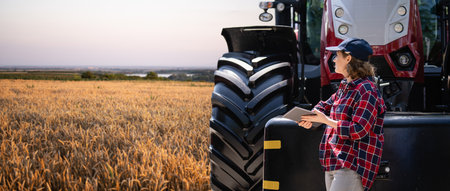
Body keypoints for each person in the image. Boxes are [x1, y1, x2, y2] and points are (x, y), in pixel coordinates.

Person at [298, 38, 386, 191]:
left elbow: (359, 130)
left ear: (348, 58)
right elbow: (324, 106)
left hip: (351, 165)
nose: (333, 60)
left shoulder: (367, 90)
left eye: (337, 55)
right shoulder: (345, 87)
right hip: (334, 162)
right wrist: (310, 118)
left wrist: (326, 121)